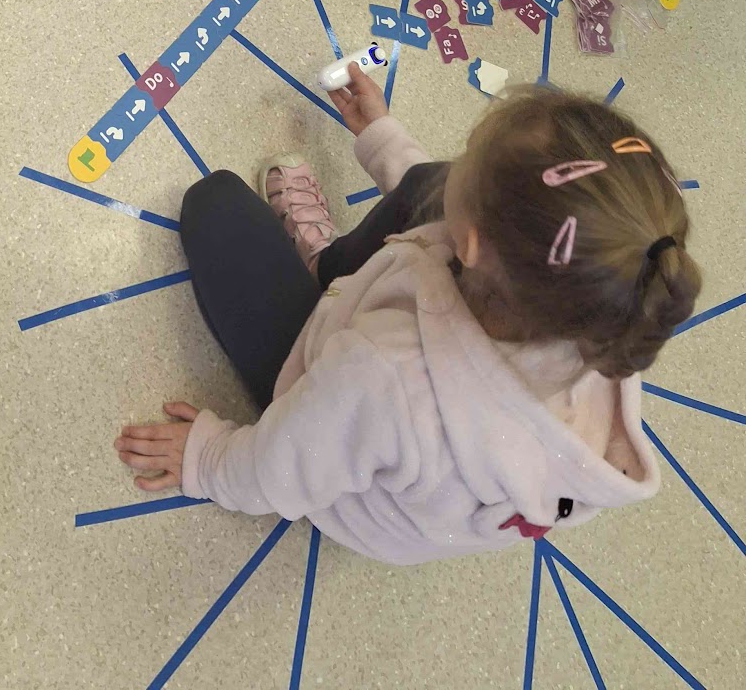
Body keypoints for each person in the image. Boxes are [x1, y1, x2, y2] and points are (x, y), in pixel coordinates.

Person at [114, 68, 700, 563]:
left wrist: (207, 459)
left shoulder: (382, 375)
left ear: (467, 244)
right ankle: (326, 265)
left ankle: (323, 272)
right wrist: (382, 137)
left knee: (215, 204)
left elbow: (279, 467)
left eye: (469, 162)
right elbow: (461, 208)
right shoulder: (608, 306)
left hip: (346, 454)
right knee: (429, 182)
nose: (458, 167)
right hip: (409, 413)